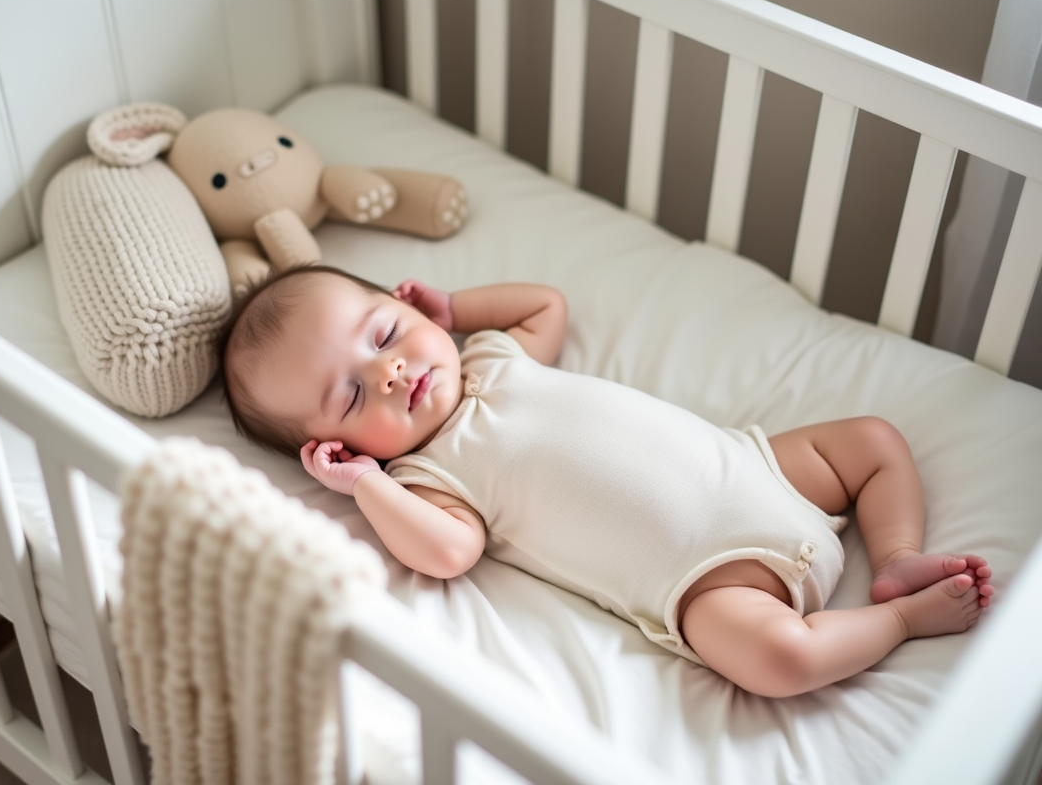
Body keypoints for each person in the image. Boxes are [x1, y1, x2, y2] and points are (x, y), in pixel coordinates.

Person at [222, 265, 994, 697]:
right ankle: (901, 619)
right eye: (353, 396)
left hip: (760, 467)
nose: (390, 372)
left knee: (872, 441)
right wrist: (367, 486)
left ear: (405, 307)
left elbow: (545, 306)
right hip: (707, 579)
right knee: (779, 661)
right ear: (335, 444)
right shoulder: (429, 479)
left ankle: (896, 558)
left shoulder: (491, 354)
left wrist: (455, 306)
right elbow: (448, 553)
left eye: (386, 333)